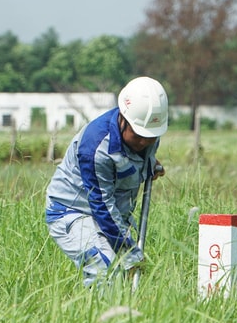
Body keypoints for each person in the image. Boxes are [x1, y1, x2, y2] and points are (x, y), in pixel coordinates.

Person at [46, 76, 168, 287]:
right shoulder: (96, 147)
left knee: (124, 278)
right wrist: (129, 254)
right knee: (105, 268)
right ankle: (102, 319)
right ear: (123, 118)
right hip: (72, 212)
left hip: (116, 213)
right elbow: (102, 205)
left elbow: (135, 157)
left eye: (151, 137)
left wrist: (149, 165)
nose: (144, 142)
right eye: (139, 135)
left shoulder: (148, 131)